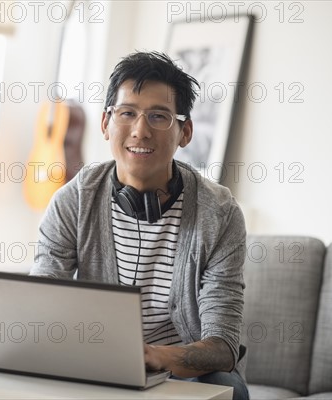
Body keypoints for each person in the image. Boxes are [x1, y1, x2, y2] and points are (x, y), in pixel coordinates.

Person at [29, 51, 248, 400]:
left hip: (182, 374)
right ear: (105, 124)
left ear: (185, 132)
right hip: (93, 361)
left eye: (159, 116)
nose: (140, 130)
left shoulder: (220, 214)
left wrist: (152, 356)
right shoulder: (75, 200)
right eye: (127, 113)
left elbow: (222, 347)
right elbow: (40, 300)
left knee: (229, 388)